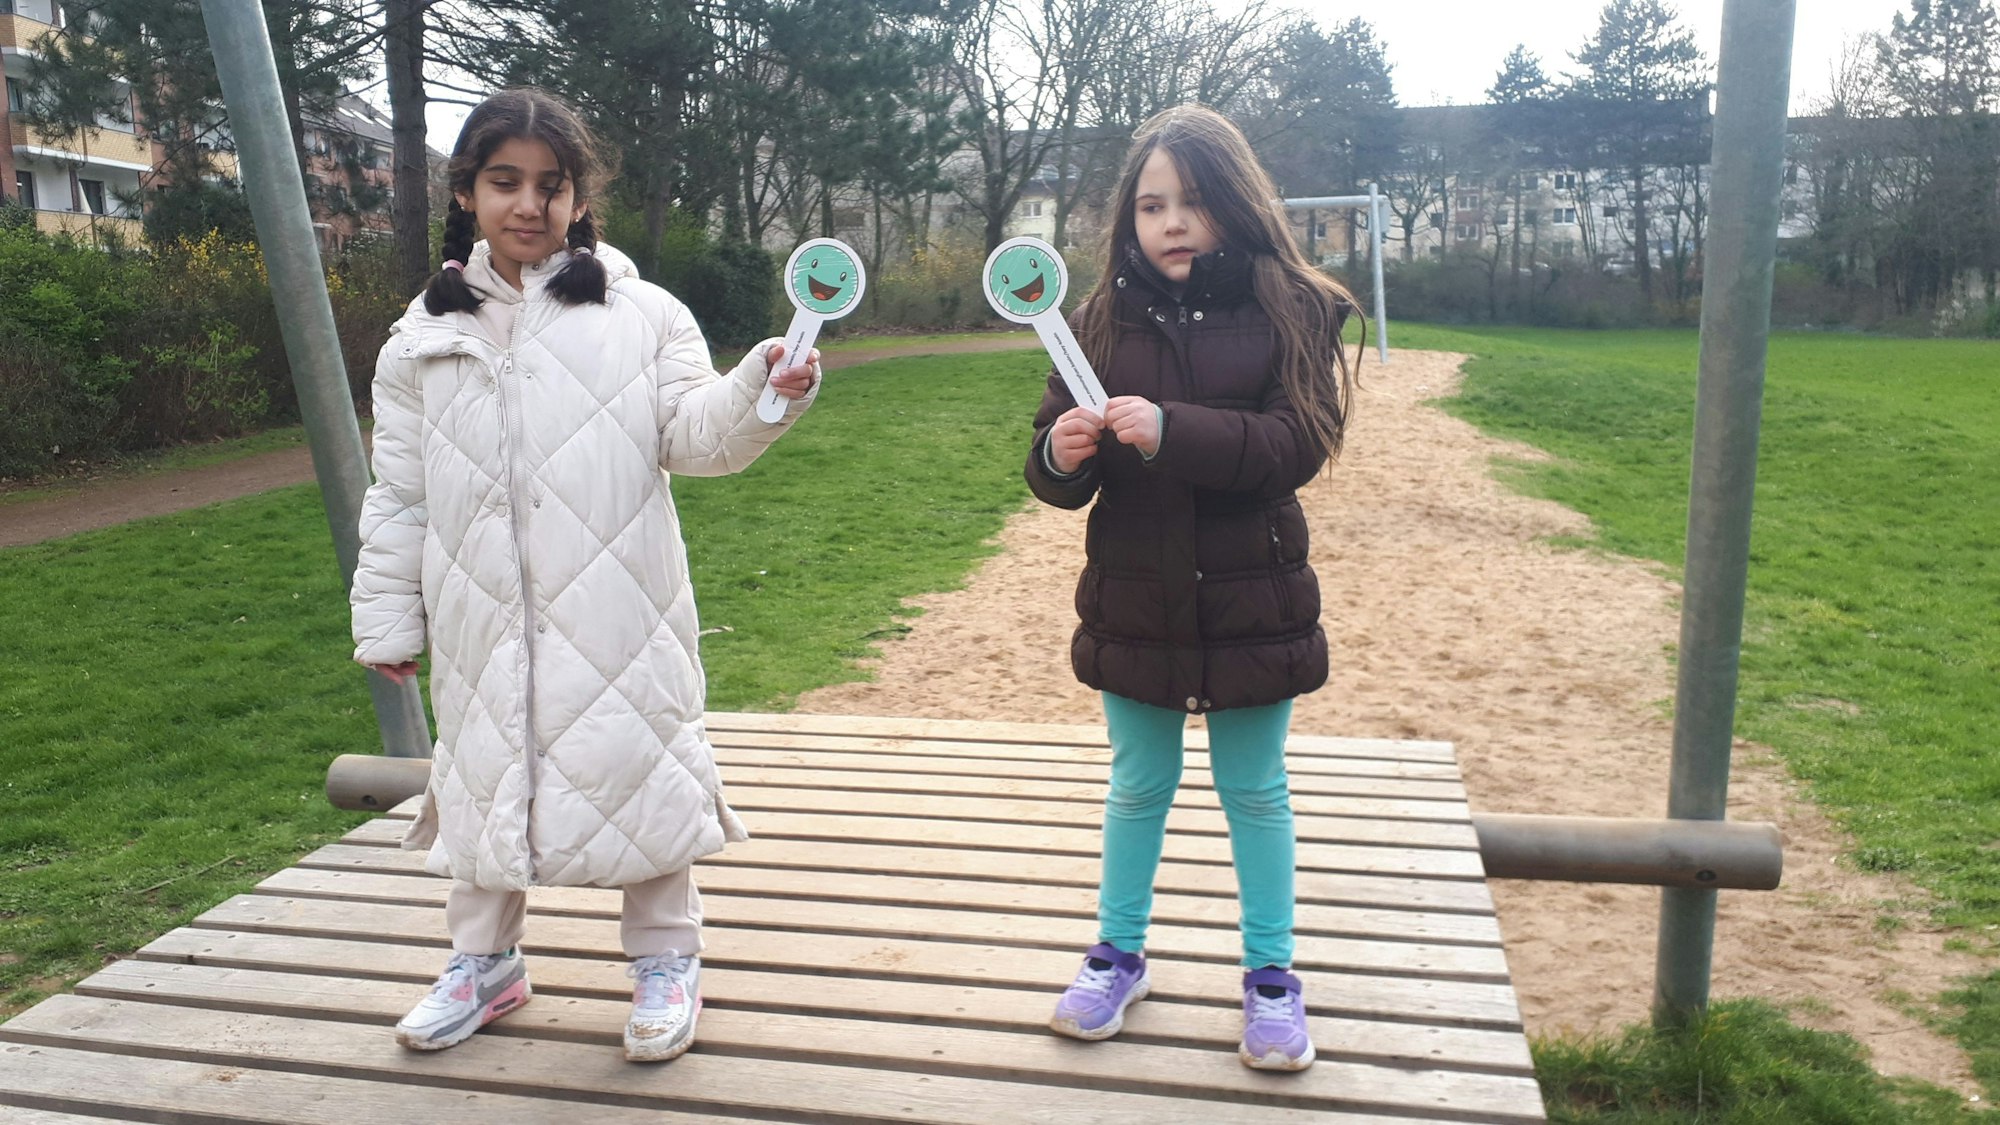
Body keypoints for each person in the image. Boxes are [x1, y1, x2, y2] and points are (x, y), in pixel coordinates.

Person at [348, 87, 819, 1063]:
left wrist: (761, 391)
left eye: (549, 185)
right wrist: (389, 622)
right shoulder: (420, 341)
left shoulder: (642, 315)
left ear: (578, 198)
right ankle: (484, 965)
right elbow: (399, 496)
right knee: (480, 778)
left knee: (638, 770)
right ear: (467, 192)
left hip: (621, 610)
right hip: (479, 618)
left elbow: (699, 437)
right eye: (504, 182)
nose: (528, 204)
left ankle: (665, 962)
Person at [1023, 104, 1360, 1072]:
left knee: (1253, 791)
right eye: (1150, 204)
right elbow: (1051, 476)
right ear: (1126, 219)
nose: (1170, 222)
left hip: (1254, 600)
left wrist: (1174, 429)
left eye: (1194, 202)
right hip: (1133, 596)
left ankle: (1269, 978)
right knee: (1136, 787)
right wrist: (1060, 450)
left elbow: (1299, 444)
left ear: (1235, 205)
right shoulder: (1092, 322)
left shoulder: (1287, 307)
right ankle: (1115, 955)